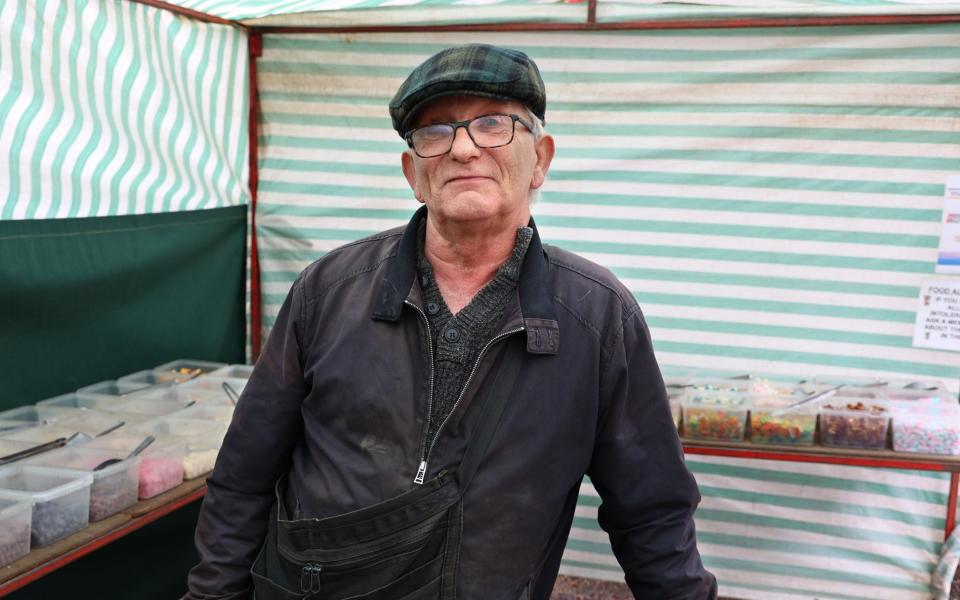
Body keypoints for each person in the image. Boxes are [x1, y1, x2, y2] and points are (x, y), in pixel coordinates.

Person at [185, 43, 717, 600]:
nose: (463, 149)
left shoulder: (596, 315)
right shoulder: (328, 291)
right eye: (436, 132)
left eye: (493, 124)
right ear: (414, 173)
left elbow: (651, 510)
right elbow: (242, 477)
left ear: (540, 160)